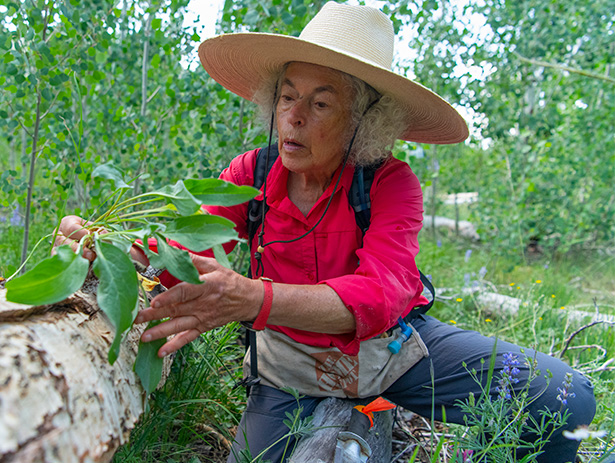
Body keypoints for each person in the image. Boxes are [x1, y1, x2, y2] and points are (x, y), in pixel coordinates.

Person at [55, 3, 596, 462]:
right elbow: (183, 252)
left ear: (363, 119)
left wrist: (252, 298)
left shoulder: (390, 182)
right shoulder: (249, 175)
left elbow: (382, 294)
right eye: (287, 97)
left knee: (565, 398)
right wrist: (107, 249)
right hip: (288, 365)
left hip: (391, 351)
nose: (293, 118)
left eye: (320, 103)